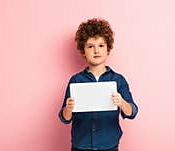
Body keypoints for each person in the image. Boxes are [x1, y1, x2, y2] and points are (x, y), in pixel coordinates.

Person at [58, 18, 138, 151]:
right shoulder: (76, 81)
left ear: (108, 49)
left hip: (109, 145)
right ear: (83, 51)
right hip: (80, 146)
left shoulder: (118, 80)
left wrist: (121, 102)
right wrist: (68, 108)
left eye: (101, 45)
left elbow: (132, 112)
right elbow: (64, 118)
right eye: (90, 46)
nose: (96, 50)